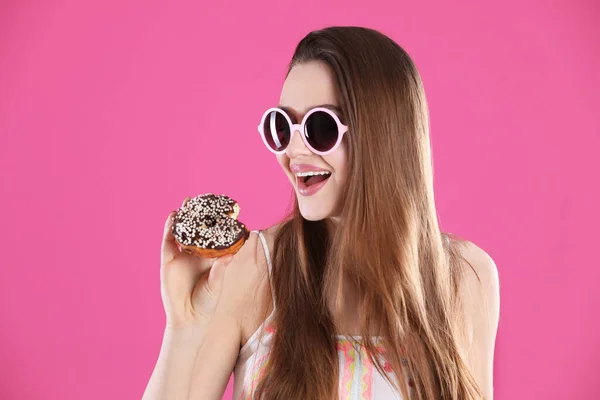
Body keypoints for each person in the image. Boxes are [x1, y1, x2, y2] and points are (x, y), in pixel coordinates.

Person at [143, 26, 500, 400]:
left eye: (318, 127)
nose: (293, 152)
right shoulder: (255, 267)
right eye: (281, 126)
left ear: (383, 136)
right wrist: (185, 326)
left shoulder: (468, 279)